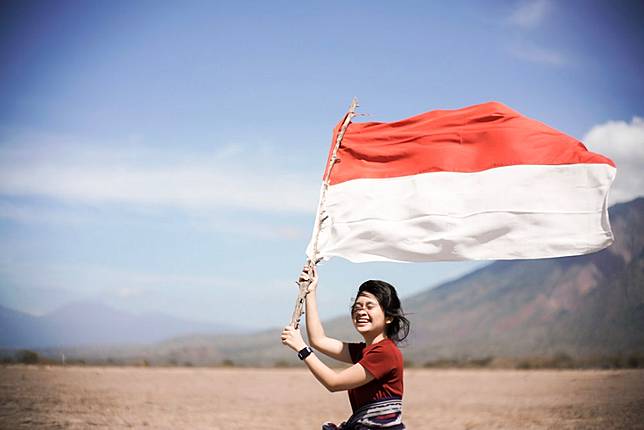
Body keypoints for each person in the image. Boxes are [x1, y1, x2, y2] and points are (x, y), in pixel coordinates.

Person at [281, 264, 410, 429]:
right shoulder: (365, 351)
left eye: (369, 307)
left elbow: (334, 383)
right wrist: (311, 291)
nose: (361, 312)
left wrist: (302, 349)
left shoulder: (385, 353)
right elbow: (318, 340)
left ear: (389, 317)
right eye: (357, 307)